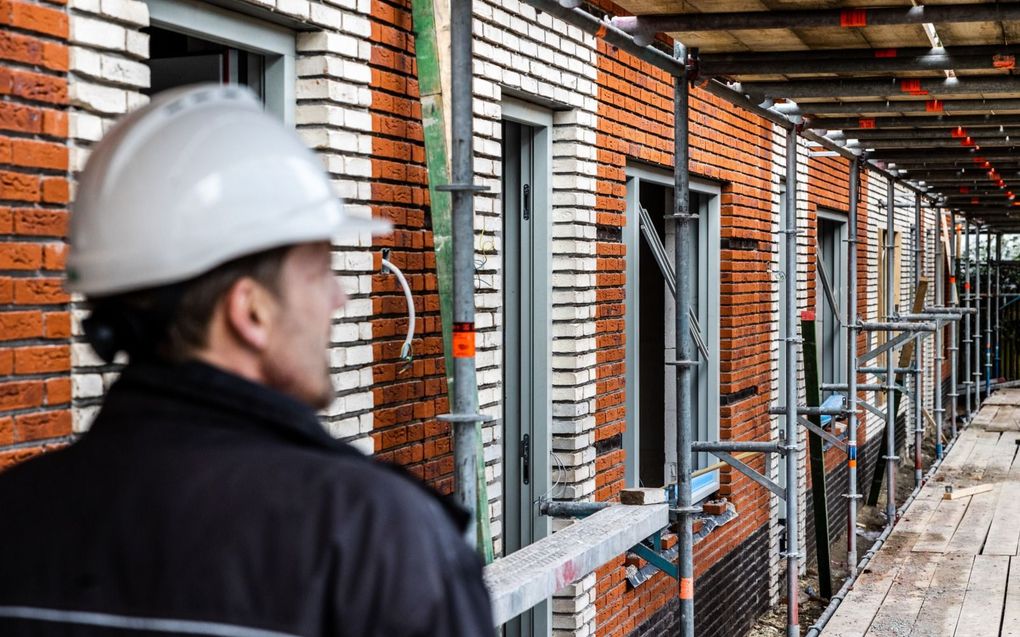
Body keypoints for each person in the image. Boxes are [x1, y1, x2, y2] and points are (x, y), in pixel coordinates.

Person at [0, 84, 493, 636]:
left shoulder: (16, 518)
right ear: (250, 311)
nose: (338, 298)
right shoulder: (377, 541)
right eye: (319, 272)